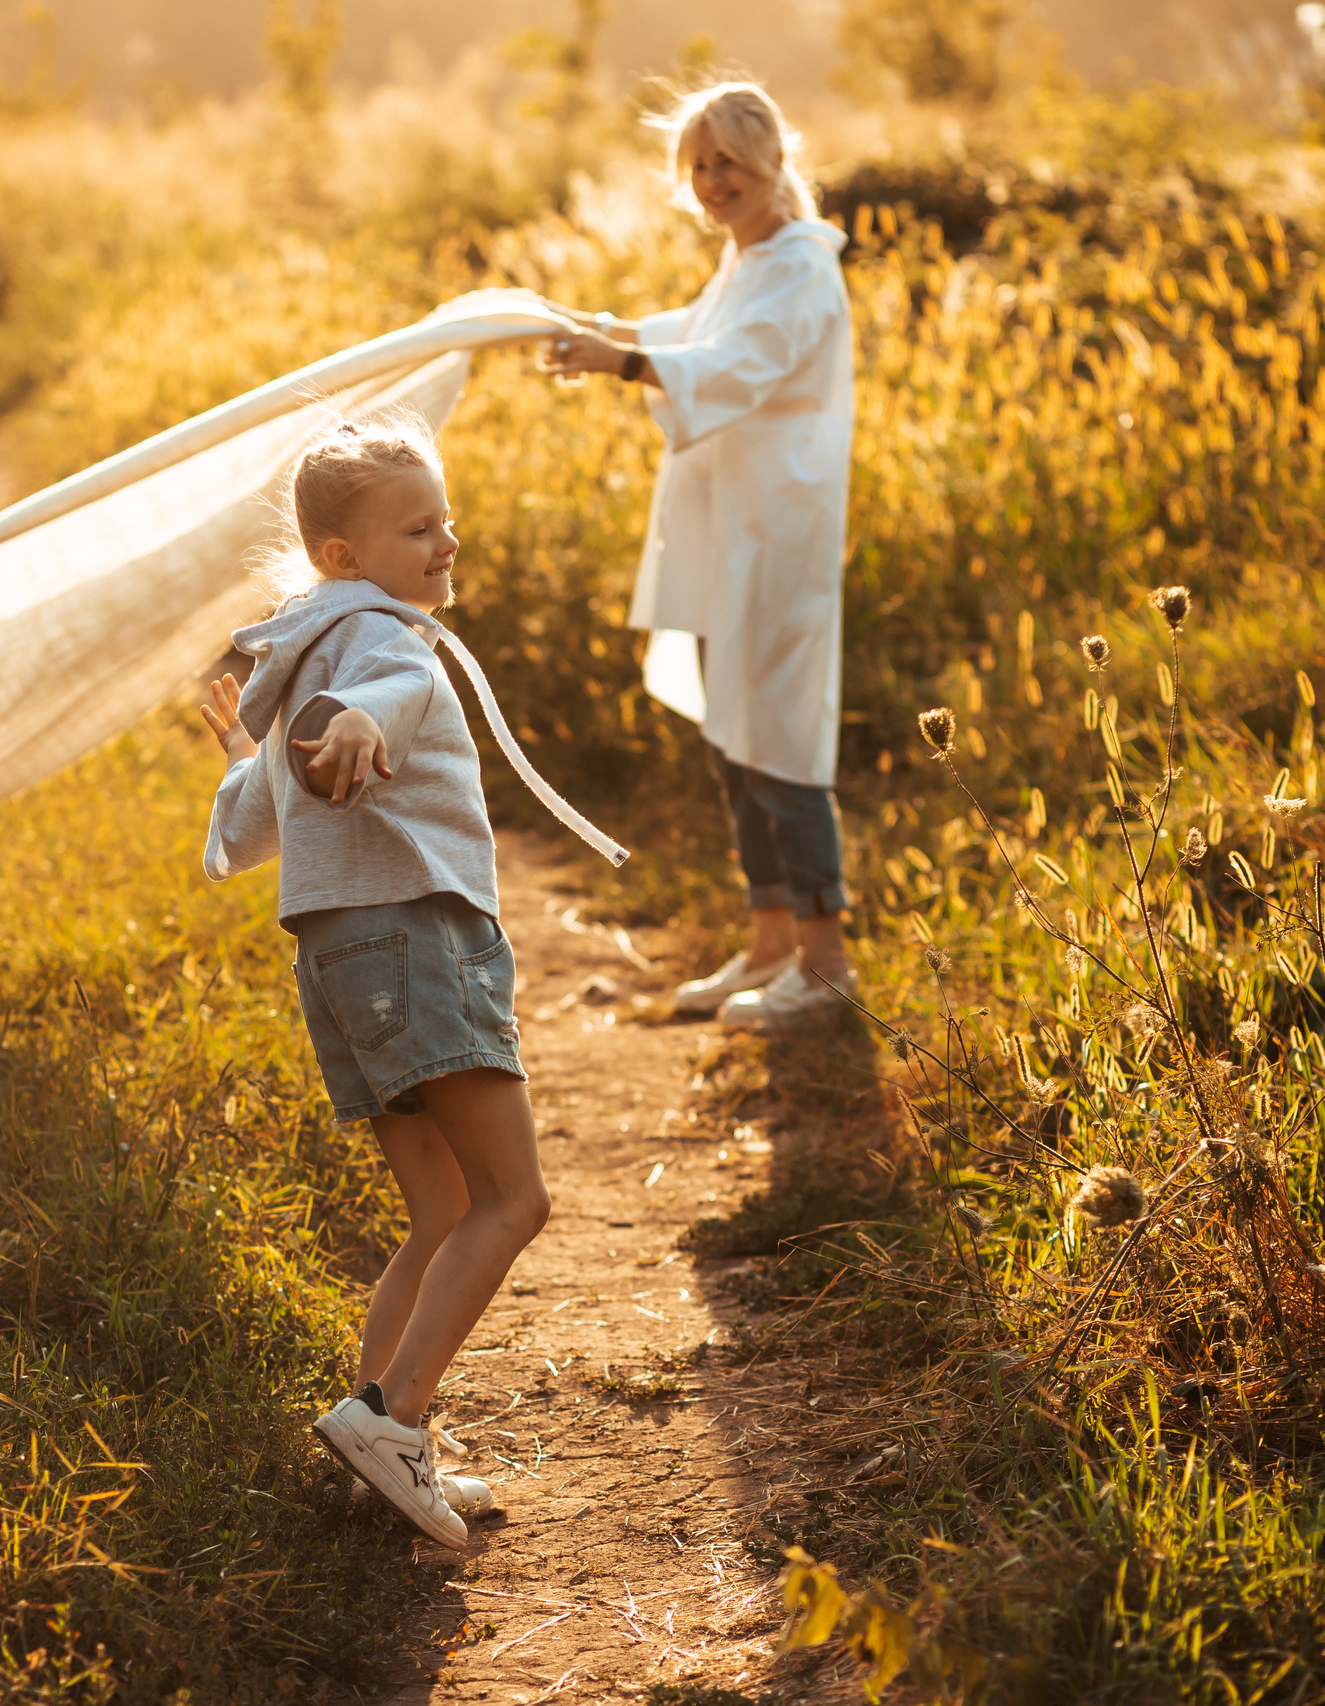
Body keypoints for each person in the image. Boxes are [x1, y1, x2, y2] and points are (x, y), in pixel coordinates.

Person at [199, 418, 552, 1549]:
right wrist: (362, 717)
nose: (446, 540)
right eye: (417, 527)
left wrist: (251, 763)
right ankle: (391, 1417)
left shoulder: (309, 647)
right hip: (411, 939)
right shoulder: (374, 639)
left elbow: (252, 823)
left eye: (445, 517)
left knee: (441, 1208)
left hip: (341, 957)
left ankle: (387, 1445)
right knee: (512, 1198)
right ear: (343, 555)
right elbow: (395, 689)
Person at [539, 81, 858, 1031]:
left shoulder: (800, 262)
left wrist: (623, 362)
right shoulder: (747, 259)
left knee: (782, 745)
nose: (714, 180)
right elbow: (697, 334)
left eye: (728, 160)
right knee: (733, 736)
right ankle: (766, 945)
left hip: (778, 538)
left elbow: (740, 366)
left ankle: (826, 961)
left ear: (770, 159)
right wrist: (616, 334)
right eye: (700, 166)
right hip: (731, 532)